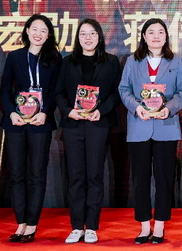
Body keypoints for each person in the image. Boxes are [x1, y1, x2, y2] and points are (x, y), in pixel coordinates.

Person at [119, 18, 182, 245]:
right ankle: (144, 226)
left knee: (164, 178)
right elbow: (124, 89)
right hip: (139, 126)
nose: (156, 36)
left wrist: (169, 109)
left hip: (166, 127)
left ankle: (159, 225)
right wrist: (137, 108)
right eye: (151, 32)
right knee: (140, 179)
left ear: (166, 36)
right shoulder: (132, 61)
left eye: (160, 32)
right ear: (144, 37)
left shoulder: (175, 60)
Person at [56, 19, 121, 244]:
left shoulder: (111, 61)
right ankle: (76, 226)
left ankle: (91, 226)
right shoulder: (67, 62)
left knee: (94, 175)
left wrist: (101, 111)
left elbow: (116, 93)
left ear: (99, 36)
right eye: (83, 34)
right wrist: (69, 112)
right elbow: (58, 93)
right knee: (75, 176)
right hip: (73, 125)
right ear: (77, 38)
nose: (88, 38)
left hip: (98, 124)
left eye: (92, 33)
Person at [0, 14, 61, 243]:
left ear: (48, 35)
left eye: (43, 30)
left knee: (36, 174)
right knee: (17, 174)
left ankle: (32, 224)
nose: (38, 34)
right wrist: (11, 113)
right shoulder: (15, 56)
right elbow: (5, 90)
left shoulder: (54, 59)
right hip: (16, 122)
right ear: (27, 31)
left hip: (40, 123)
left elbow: (56, 91)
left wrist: (45, 113)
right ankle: (21, 224)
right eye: (34, 29)